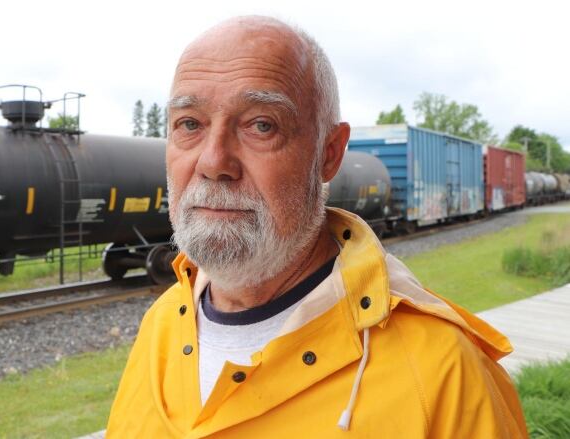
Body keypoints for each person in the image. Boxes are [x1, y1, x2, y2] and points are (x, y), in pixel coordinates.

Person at [107, 16, 527, 438]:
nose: (214, 162)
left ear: (329, 153)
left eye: (261, 125)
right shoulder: (160, 325)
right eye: (190, 124)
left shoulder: (443, 372)